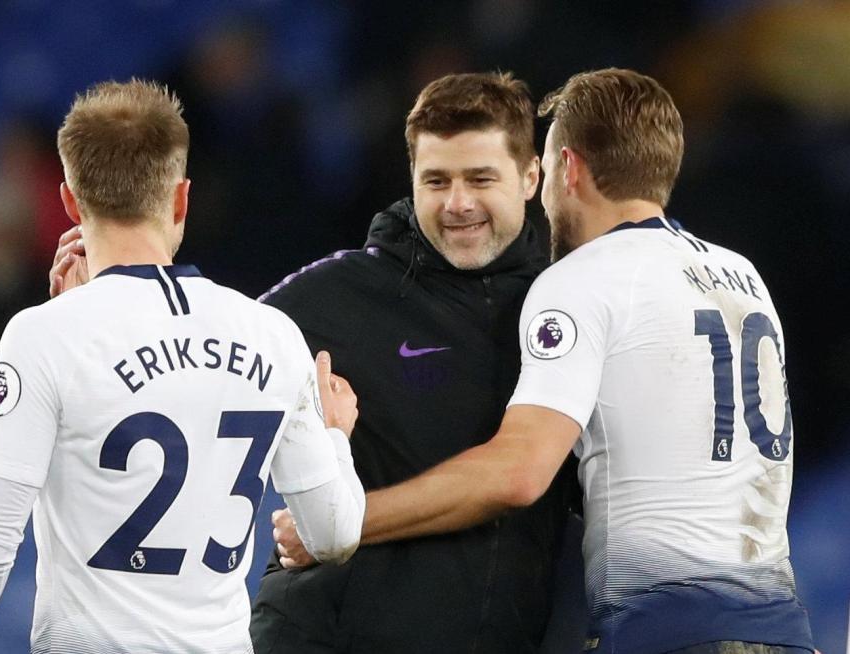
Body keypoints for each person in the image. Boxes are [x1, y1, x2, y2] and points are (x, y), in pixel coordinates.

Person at [50, 72, 586, 653]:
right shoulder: (341, 293)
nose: (457, 203)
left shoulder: (569, 304)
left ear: (532, 176)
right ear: (412, 179)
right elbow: (184, 362)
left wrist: (347, 519)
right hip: (324, 636)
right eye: (436, 181)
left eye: (480, 179)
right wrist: (90, 315)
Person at [284, 68, 813, 653]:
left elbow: (518, 472)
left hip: (669, 632)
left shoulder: (582, 279)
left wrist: (338, 520)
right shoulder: (741, 275)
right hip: (781, 628)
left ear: (566, 169)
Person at [0, 79, 365, 654]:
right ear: (181, 198)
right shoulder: (273, 335)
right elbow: (333, 534)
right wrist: (335, 437)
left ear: (70, 204)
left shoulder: (44, 336)